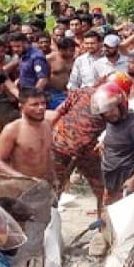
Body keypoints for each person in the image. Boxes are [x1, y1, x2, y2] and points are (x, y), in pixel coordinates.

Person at [94, 81, 134, 204]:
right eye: (105, 111)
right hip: (111, 183)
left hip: (126, 186)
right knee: (108, 214)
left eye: (112, 108)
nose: (109, 113)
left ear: (121, 105)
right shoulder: (111, 122)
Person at [49, 84, 106, 217]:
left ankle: (103, 222)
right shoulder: (84, 93)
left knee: (102, 188)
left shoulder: (85, 93)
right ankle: (48, 223)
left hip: (83, 148)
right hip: (63, 145)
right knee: (54, 188)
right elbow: (58, 113)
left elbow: (57, 113)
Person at [0, 87, 53, 182]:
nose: (41, 108)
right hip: (21, 185)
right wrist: (24, 179)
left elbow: (48, 155)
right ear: (21, 106)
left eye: (43, 103)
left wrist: (54, 178)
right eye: (35, 104)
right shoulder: (13, 129)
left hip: (44, 184)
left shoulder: (47, 125)